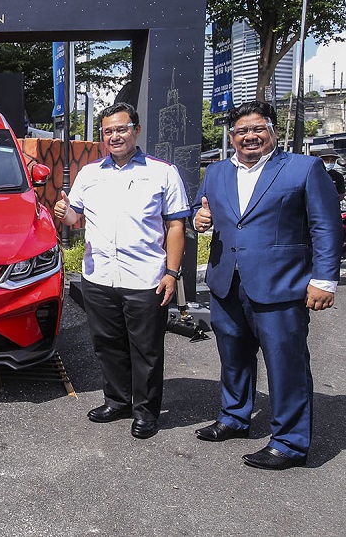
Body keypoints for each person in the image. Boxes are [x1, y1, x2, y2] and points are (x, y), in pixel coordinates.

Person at [192, 100, 341, 470]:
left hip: (281, 284)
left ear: (272, 131)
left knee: (285, 364)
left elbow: (326, 226)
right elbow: (203, 209)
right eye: (242, 131)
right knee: (233, 358)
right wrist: (200, 217)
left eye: (258, 128)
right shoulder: (216, 172)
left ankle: (290, 442)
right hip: (227, 281)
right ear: (231, 137)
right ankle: (234, 417)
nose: (250, 136)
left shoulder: (304, 168)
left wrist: (324, 280)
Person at [53, 102, 189, 439]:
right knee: (107, 344)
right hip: (99, 277)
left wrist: (172, 274)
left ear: (136, 131)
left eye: (121, 129)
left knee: (146, 349)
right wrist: (63, 211)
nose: (115, 136)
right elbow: (76, 219)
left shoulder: (163, 172)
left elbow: (175, 226)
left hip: (146, 278)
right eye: (108, 131)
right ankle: (117, 400)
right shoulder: (90, 173)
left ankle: (145, 412)